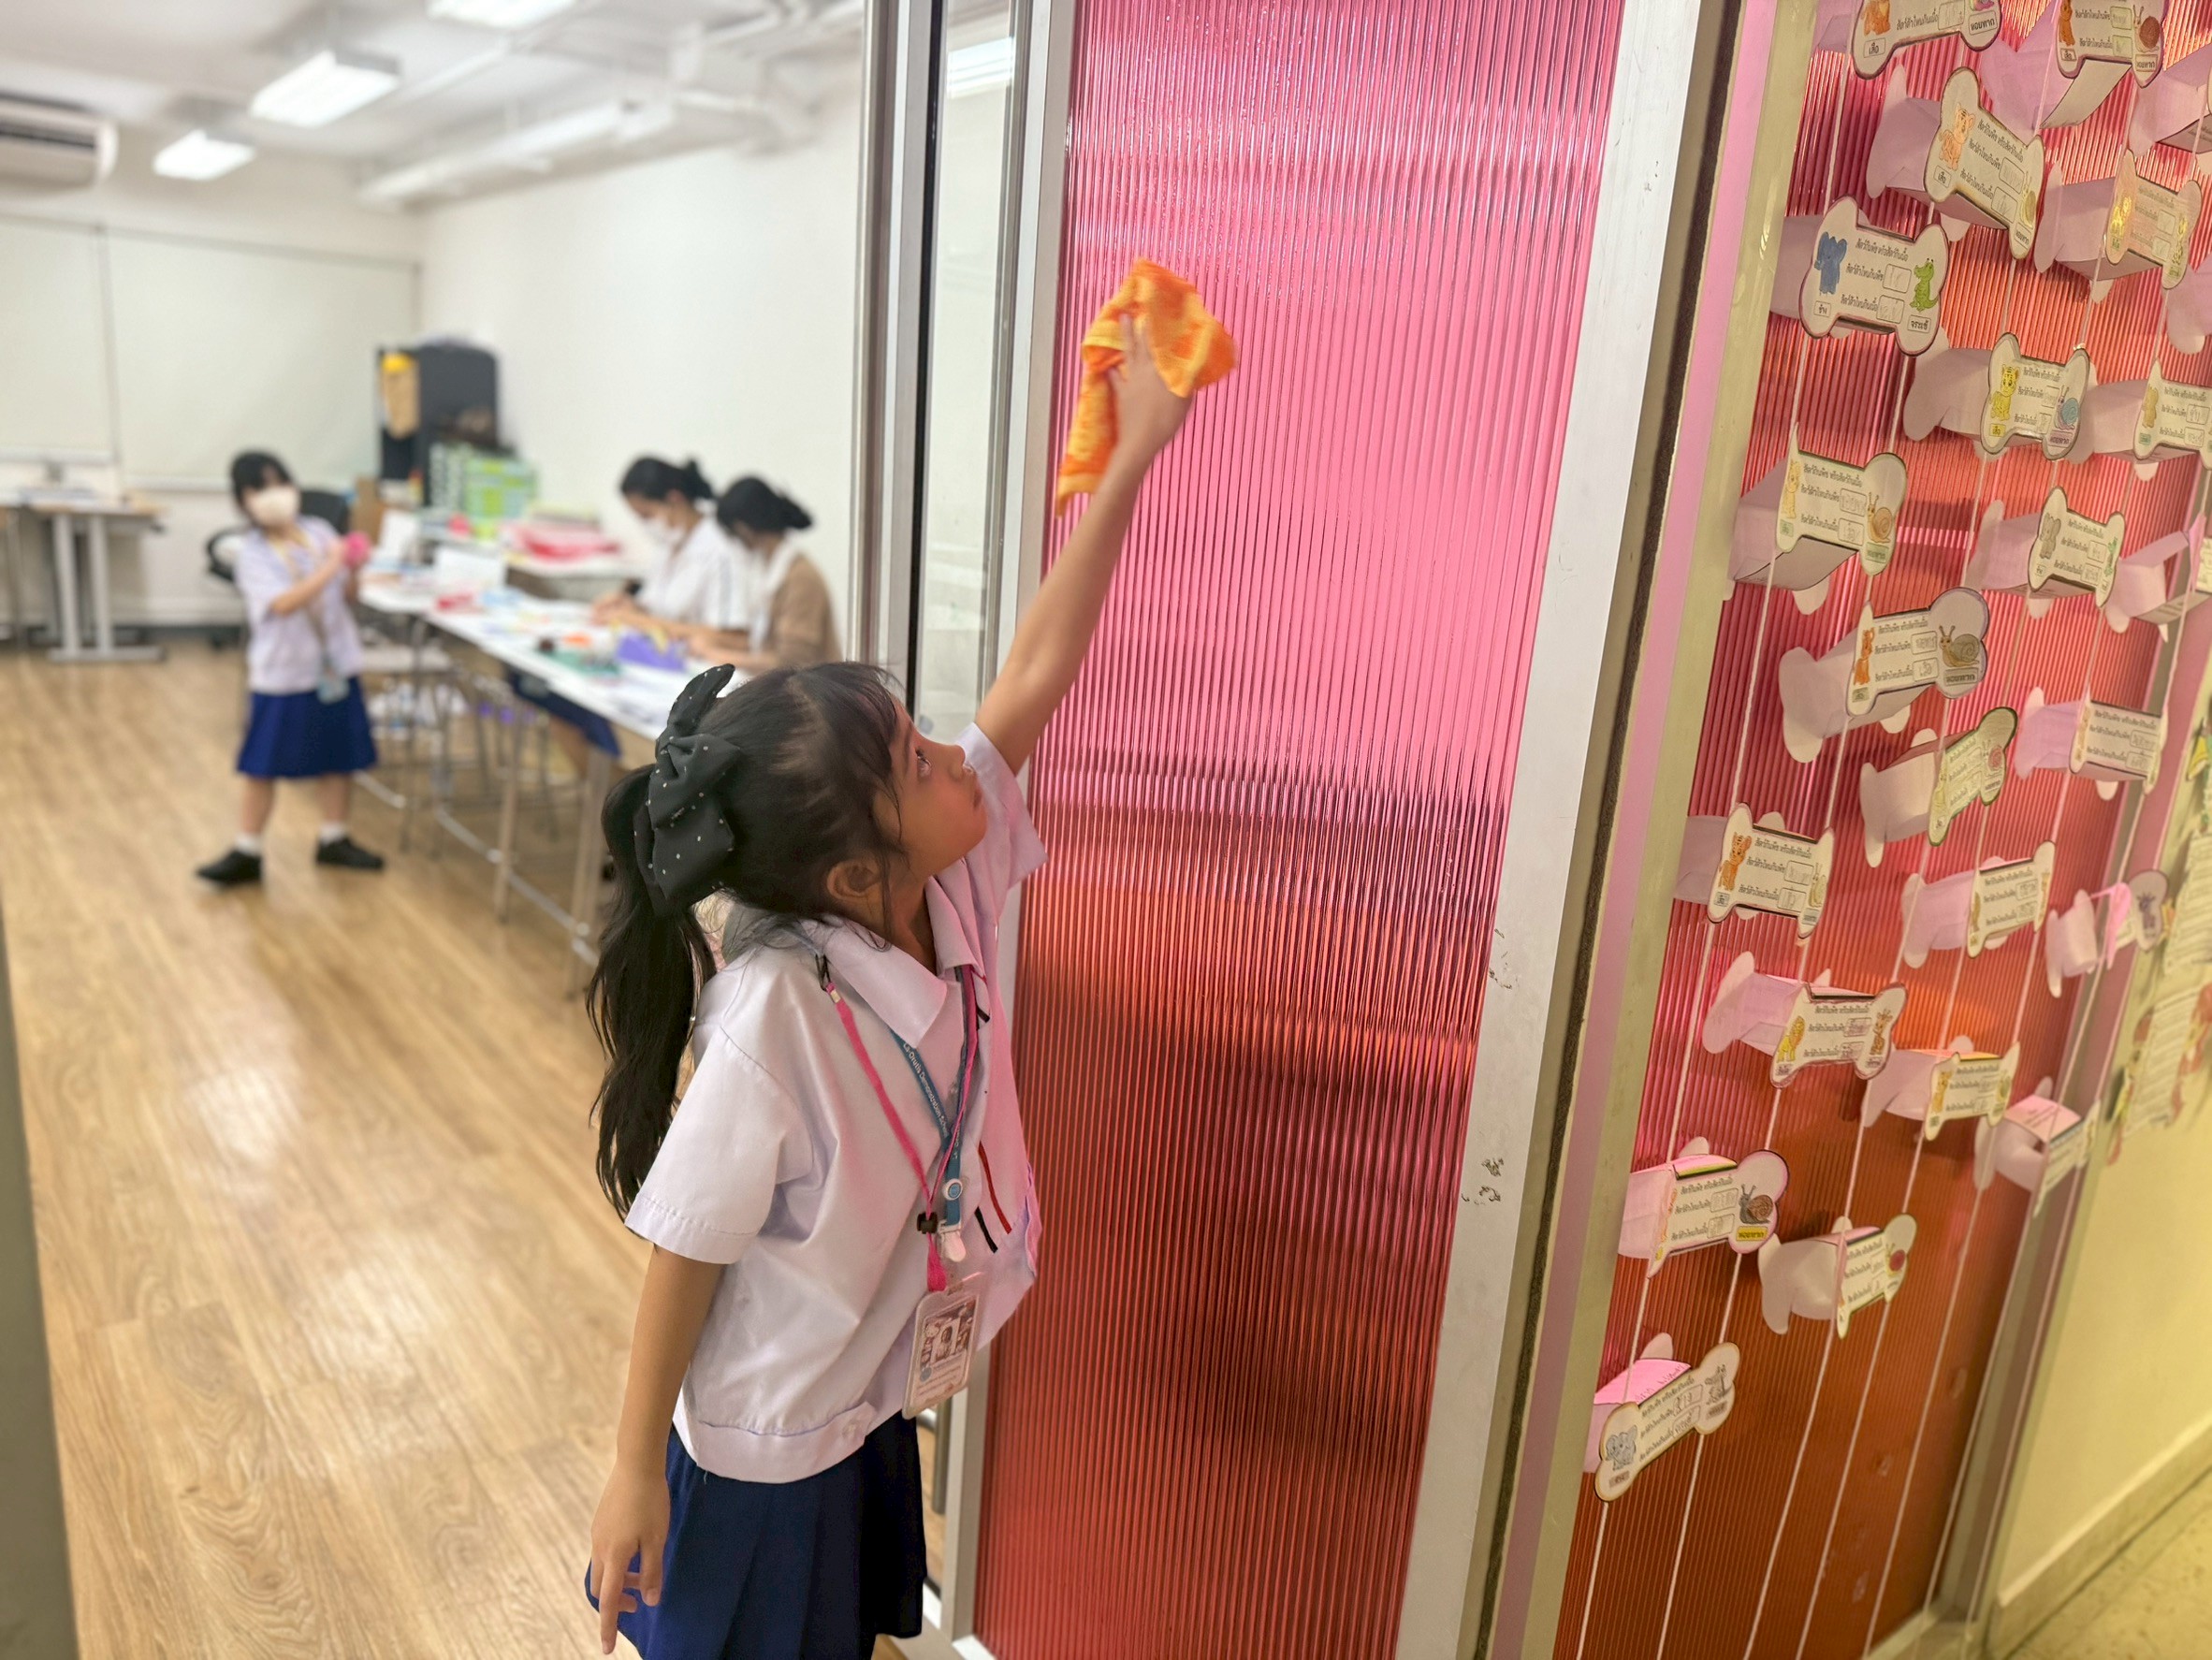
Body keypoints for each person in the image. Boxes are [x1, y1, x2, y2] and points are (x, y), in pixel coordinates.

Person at [582, 322, 1197, 1659]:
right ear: (855, 876)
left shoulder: (942, 882)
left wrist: (1136, 453)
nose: (954, 755)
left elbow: (1036, 669)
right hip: (762, 1443)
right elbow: (686, 1250)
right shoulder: (775, 1013)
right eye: (919, 759)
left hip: (861, 1390)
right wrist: (631, 1470)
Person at [196, 452, 384, 887]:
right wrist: (333, 565)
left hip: (335, 663)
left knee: (339, 756)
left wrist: (353, 570)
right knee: (263, 763)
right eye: (259, 489)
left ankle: (334, 837)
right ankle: (247, 848)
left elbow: (347, 596)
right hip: (283, 672)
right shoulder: (253, 553)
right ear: (243, 501)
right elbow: (283, 604)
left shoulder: (318, 532)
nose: (274, 495)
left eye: (280, 483)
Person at [521, 456, 746, 771]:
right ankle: (608, 790)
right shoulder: (671, 543)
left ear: (674, 500)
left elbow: (730, 635)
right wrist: (624, 605)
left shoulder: (720, 549)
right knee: (567, 710)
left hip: (694, 672)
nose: (646, 525)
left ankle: (621, 790)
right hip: (653, 662)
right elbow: (655, 605)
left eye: (646, 515)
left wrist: (640, 621)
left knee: (610, 729)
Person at [706, 477, 840, 670]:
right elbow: (760, 643)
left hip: (809, 685)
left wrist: (721, 657)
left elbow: (793, 662)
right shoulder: (767, 568)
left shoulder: (800, 577)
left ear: (743, 529)